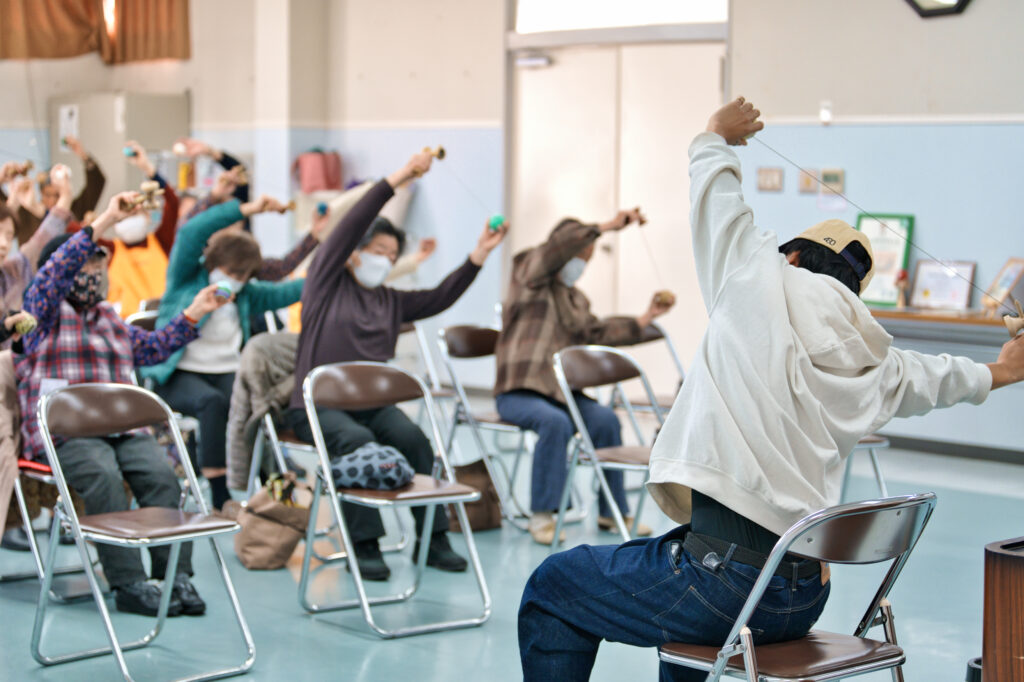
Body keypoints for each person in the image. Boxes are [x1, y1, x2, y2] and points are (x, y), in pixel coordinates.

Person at [517, 97, 1024, 681]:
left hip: (723, 586)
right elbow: (944, 378)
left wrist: (713, 136)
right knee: (680, 634)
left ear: (793, 256)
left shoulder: (755, 281)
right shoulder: (876, 357)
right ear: (853, 290)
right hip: (802, 596)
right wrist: (1007, 367)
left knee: (553, 584)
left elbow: (718, 203)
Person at [283, 149, 507, 581]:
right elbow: (347, 227)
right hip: (316, 408)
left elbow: (441, 296)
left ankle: (432, 539)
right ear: (353, 253)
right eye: (378, 250)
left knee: (415, 440)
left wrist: (479, 253)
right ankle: (365, 544)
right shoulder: (325, 284)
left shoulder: (390, 301)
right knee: (360, 442)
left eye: (391, 254)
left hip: (373, 405)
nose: (384, 260)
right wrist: (398, 179)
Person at [16, 192, 230, 617]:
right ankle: (128, 583)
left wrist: (194, 312)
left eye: (100, 264)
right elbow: (55, 271)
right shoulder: (39, 314)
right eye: (88, 263)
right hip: (66, 432)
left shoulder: (110, 320)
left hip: (121, 428)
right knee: (103, 478)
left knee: (164, 480)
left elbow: (153, 349)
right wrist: (109, 217)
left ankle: (175, 577)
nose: (96, 271)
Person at [494, 211, 675, 545]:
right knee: (554, 423)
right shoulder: (527, 274)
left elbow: (598, 331)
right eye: (579, 256)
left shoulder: (576, 299)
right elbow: (556, 248)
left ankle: (612, 510)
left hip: (563, 394)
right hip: (520, 391)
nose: (581, 264)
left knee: (606, 419)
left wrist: (645, 318)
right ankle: (543, 515)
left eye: (587, 259)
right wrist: (605, 227)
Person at [141, 195, 304, 510]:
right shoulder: (186, 278)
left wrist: (331, 273)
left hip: (227, 372)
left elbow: (288, 291)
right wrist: (246, 208)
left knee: (256, 406)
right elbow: (190, 234)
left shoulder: (245, 295)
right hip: (177, 376)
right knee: (213, 404)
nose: (235, 281)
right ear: (215, 264)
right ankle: (219, 495)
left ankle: (276, 489)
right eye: (231, 271)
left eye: (243, 276)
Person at [0, 175, 77, 551]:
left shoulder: (15, 267)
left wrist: (65, 196)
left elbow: (48, 237)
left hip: (18, 384)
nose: (3, 242)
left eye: (7, 233)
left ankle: (52, 514)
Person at [0, 136, 106, 244]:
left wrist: (83, 155)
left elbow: (96, 184)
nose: (52, 201)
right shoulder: (26, 213)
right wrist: (1, 178)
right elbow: (4, 210)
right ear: (40, 192)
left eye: (57, 195)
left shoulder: (74, 210)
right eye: (47, 195)